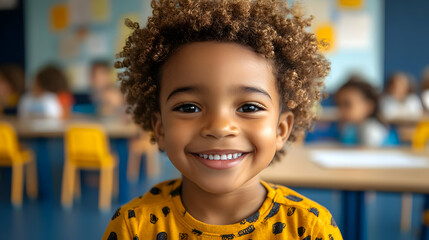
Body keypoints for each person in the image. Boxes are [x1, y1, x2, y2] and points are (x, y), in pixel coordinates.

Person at [103, 1, 342, 239]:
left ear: (281, 129)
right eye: (188, 107)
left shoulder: (310, 228)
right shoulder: (133, 227)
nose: (219, 127)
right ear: (160, 128)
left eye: (249, 107)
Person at [335, 75, 396, 146]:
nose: (341, 110)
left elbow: (368, 156)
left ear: (368, 106)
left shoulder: (371, 130)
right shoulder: (351, 128)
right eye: (338, 104)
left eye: (347, 104)